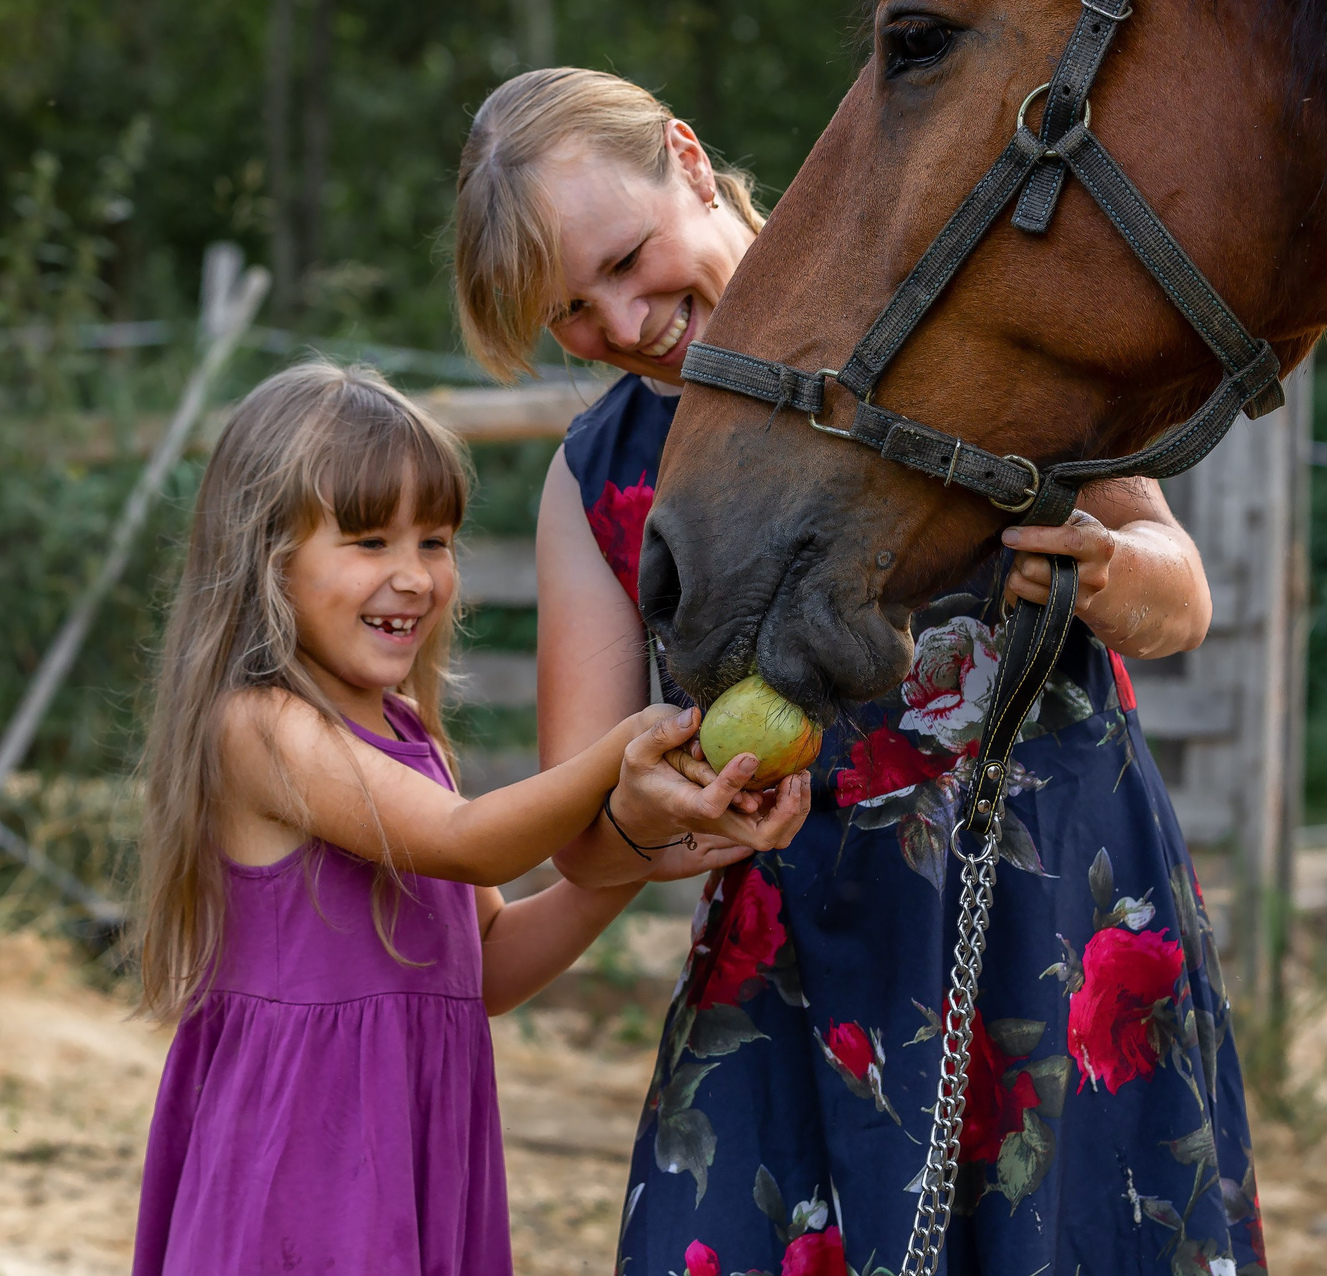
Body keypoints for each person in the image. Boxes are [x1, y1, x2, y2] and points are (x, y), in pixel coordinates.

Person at [452, 69, 1264, 1276]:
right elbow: (589, 832)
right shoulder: (598, 477)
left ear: (685, 155)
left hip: (1055, 923)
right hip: (798, 973)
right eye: (570, 311)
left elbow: (1178, 591)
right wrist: (658, 816)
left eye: (624, 261)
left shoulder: (949, 321)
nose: (620, 328)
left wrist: (1099, 571)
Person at [127, 360, 809, 1275]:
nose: (413, 577)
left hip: (412, 1138)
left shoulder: (410, 737)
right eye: (369, 541)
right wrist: (628, 742)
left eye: (436, 541)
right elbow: (463, 840)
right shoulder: (261, 729)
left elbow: (481, 970)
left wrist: (644, 849)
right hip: (305, 1152)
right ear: (267, 559)